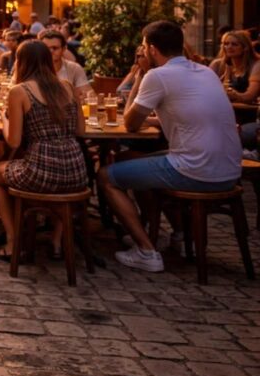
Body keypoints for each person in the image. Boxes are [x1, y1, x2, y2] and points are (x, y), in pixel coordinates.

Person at [99, 21, 242, 273]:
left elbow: (131, 123)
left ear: (152, 49)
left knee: (106, 176)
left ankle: (146, 251)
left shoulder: (158, 75)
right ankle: (174, 234)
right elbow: (186, 113)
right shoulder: (205, 71)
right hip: (230, 170)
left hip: (195, 170)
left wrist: (142, 75)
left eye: (144, 47)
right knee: (127, 159)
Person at [0, 40, 87, 260]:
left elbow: (14, 142)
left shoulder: (20, 91)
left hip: (41, 168)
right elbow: (80, 130)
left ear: (21, 62)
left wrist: (5, 120)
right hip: (76, 171)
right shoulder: (67, 86)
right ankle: (57, 241)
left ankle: (13, 241)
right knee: (63, 191)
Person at [210, 30, 260, 104]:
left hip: (251, 112)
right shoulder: (222, 64)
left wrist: (235, 96)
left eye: (234, 44)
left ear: (245, 47)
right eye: (226, 44)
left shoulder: (256, 65)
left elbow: (250, 95)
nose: (229, 47)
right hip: (230, 109)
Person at [38, 30, 92, 98]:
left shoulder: (74, 68)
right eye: (46, 48)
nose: (50, 51)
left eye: (55, 48)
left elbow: (89, 95)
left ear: (64, 49)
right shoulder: (34, 69)